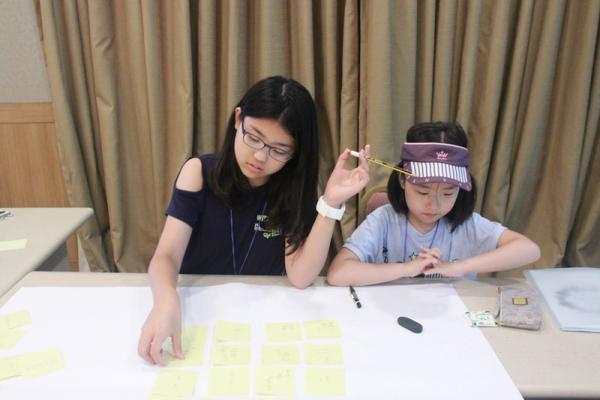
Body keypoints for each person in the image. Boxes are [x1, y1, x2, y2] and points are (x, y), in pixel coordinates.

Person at [138, 76, 370, 364]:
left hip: (261, 316)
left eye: (279, 150)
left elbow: (300, 277)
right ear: (238, 119)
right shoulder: (198, 173)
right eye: (254, 137)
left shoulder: (293, 190)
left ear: (295, 153)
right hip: (197, 308)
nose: (260, 156)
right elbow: (167, 255)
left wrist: (331, 204)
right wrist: (165, 300)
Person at [327, 122, 540, 287]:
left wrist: (459, 267)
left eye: (448, 192)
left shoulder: (468, 224)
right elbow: (338, 273)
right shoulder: (383, 220)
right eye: (423, 191)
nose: (434, 204)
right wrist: (407, 269)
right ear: (402, 180)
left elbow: (529, 250)